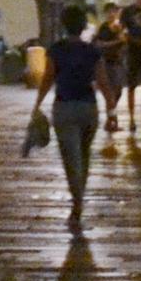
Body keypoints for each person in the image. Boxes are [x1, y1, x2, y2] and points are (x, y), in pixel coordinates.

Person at [35, 18, 106, 220]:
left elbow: (48, 77)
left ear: (64, 26)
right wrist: (111, 111)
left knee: (70, 158)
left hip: (64, 107)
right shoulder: (92, 51)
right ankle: (79, 196)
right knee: (84, 155)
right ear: (83, 27)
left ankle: (77, 200)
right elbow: (102, 80)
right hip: (88, 107)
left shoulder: (56, 49)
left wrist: (38, 103)